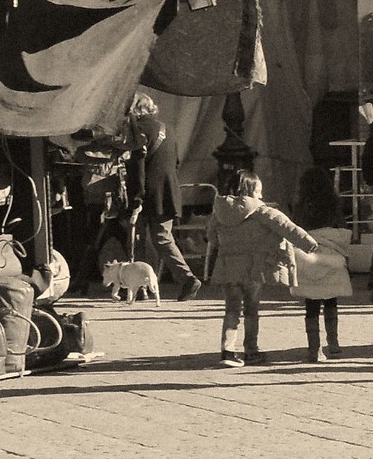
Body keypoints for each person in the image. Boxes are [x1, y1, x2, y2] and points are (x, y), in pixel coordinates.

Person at [205, 170, 317, 369]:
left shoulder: (219, 212)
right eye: (258, 191)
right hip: (253, 268)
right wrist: (309, 244)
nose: (261, 195)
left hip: (228, 267)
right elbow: (287, 227)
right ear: (250, 191)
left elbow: (211, 236)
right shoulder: (262, 211)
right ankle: (251, 350)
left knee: (231, 309)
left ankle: (227, 351)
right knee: (251, 309)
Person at [128, 93, 198, 301]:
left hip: (146, 192)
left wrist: (136, 198)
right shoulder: (167, 129)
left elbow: (138, 168)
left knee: (137, 238)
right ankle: (185, 279)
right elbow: (175, 162)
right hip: (167, 192)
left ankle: (141, 287)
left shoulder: (137, 130)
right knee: (162, 238)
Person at [288, 165, 352, 361]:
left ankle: (314, 348)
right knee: (331, 302)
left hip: (309, 257)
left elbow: (295, 230)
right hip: (331, 259)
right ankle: (334, 344)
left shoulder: (300, 206)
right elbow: (342, 229)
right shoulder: (333, 205)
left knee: (311, 305)